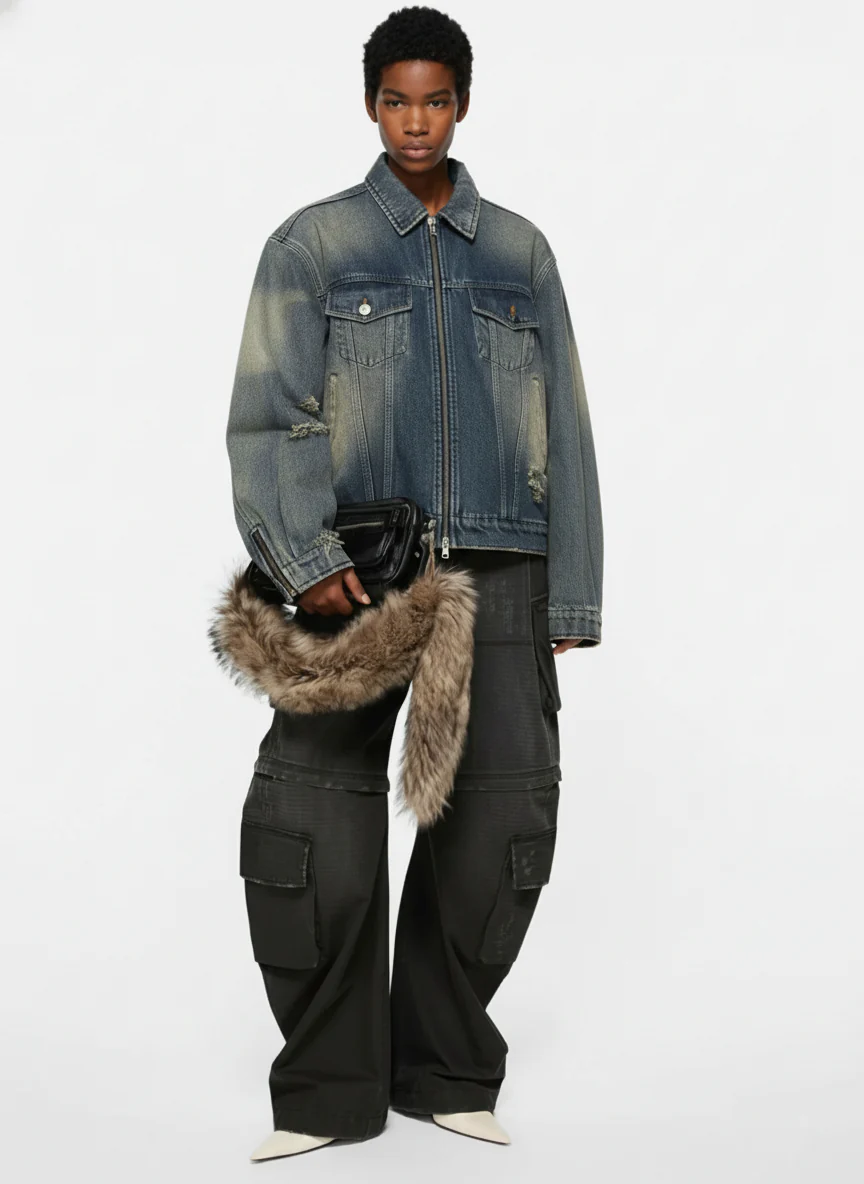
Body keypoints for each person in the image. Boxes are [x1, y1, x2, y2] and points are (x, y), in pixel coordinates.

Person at [223, 4, 604, 1160]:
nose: (417, 122)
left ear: (464, 104)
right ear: (370, 104)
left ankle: (443, 1066)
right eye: (397, 100)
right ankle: (326, 1086)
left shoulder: (521, 252)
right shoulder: (314, 245)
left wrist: (571, 593)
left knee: (502, 821)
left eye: (436, 100)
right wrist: (306, 558)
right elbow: (268, 415)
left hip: (502, 571)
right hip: (359, 574)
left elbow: (567, 425)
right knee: (313, 819)